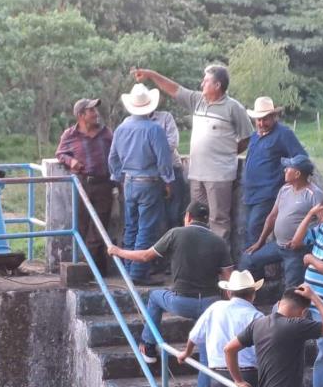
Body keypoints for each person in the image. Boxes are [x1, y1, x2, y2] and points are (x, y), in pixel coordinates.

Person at [108, 201, 233, 387]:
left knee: (155, 296)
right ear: (207, 220)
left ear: (187, 217)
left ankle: (148, 345)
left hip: (181, 301)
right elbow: (229, 278)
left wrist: (118, 251)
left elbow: (146, 256)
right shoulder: (219, 242)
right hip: (211, 305)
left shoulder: (177, 234)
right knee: (205, 350)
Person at [131, 66, 252, 246]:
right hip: (196, 173)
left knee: (218, 220)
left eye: (206, 80)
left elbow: (247, 137)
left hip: (219, 175)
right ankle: (197, 261)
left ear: (217, 85)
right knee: (196, 218)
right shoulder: (198, 100)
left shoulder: (233, 108)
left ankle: (219, 264)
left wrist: (226, 153)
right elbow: (173, 89)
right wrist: (151, 74)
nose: (202, 83)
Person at [108, 84, 173, 285]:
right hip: (149, 183)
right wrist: (169, 181)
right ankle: (138, 273)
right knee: (146, 228)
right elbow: (164, 159)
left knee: (131, 227)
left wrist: (118, 177)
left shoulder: (121, 128)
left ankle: (128, 269)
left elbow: (113, 158)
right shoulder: (154, 130)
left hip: (129, 183)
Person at [240, 155, 323, 287]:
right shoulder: (284, 189)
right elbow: (272, 217)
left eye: (288, 168)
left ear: (297, 173)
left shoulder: (314, 194)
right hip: (277, 245)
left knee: (292, 287)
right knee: (249, 259)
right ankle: (254, 295)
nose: (284, 170)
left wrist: (303, 242)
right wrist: (259, 243)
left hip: (297, 251)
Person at [55, 98, 114, 275]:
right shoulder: (70, 135)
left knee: (99, 228)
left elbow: (116, 153)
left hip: (103, 184)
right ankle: (91, 269)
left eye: (95, 111)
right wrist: (70, 160)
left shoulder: (105, 133)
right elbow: (60, 153)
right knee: (82, 226)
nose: (96, 114)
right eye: (91, 111)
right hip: (82, 185)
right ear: (81, 115)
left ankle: (96, 270)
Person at [291, 196, 323, 387]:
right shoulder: (322, 231)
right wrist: (310, 214)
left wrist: (310, 259)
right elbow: (296, 242)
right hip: (306, 298)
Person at [242, 97, 307, 247]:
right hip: (250, 193)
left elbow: (301, 157)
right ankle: (252, 268)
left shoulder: (284, 134)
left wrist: (287, 175)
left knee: (254, 231)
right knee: (248, 231)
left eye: (265, 119)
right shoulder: (254, 136)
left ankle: (252, 268)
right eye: (258, 120)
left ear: (274, 116)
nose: (261, 123)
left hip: (268, 193)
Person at [149, 110, 187, 231]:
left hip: (171, 169)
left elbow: (172, 143)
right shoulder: (131, 121)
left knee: (174, 214)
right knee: (155, 216)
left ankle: (175, 245)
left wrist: (147, 153)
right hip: (150, 174)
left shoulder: (165, 117)